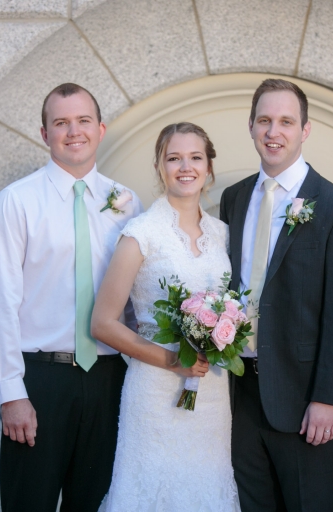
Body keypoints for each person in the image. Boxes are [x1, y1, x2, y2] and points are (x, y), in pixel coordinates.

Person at [0, 83, 142, 511]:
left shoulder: (127, 203)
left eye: (83, 121)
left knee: (98, 504)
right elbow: (0, 305)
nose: (74, 131)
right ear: (44, 132)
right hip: (41, 382)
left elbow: (134, 303)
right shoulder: (14, 202)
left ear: (101, 129)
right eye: (61, 123)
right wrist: (11, 393)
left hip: (109, 380)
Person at [219, 78, 333, 511]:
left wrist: (328, 399)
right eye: (264, 120)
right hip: (239, 392)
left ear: (305, 130)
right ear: (250, 127)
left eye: (286, 121)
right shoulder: (234, 198)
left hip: (304, 400)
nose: (273, 132)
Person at [91, 122, 239, 511]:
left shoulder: (222, 234)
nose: (185, 167)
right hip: (155, 394)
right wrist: (173, 361)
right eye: (174, 158)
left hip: (211, 398)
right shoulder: (140, 233)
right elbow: (103, 323)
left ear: (209, 167)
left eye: (195, 157)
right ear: (160, 166)